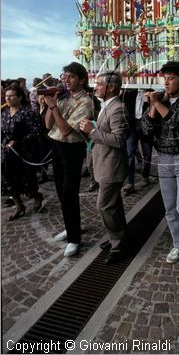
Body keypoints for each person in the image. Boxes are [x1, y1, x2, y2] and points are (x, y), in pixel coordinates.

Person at [141, 61, 179, 264]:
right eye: (164, 79)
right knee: (169, 207)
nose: (166, 83)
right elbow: (146, 129)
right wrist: (153, 106)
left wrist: (157, 103)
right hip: (164, 158)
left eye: (171, 79)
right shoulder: (161, 100)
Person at [80, 72, 130, 264]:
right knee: (114, 204)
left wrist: (92, 131)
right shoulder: (105, 106)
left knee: (104, 206)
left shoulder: (118, 108)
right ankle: (118, 237)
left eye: (99, 84)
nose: (96, 87)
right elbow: (103, 132)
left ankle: (118, 245)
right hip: (102, 162)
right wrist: (90, 129)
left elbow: (118, 140)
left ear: (110, 87)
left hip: (111, 166)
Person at [45, 62, 93, 257]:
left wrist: (54, 107)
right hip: (57, 147)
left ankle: (74, 238)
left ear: (81, 79)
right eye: (65, 76)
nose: (66, 80)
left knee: (69, 192)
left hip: (72, 148)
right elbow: (49, 125)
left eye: (71, 76)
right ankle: (71, 227)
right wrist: (50, 104)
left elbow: (65, 131)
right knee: (60, 191)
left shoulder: (86, 102)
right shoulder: (63, 97)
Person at [1, 84, 43, 220]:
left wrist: (19, 141)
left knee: (27, 179)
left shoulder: (27, 112)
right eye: (6, 96)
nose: (8, 98)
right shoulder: (4, 113)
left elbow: (35, 131)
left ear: (19, 97)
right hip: (7, 152)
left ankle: (36, 196)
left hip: (24, 152)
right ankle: (19, 205)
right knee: (9, 180)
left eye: (11, 96)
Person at [122, 89, 154, 195]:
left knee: (147, 152)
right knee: (129, 152)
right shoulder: (130, 93)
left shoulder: (151, 93)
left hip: (145, 125)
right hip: (133, 125)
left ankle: (145, 176)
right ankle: (130, 182)